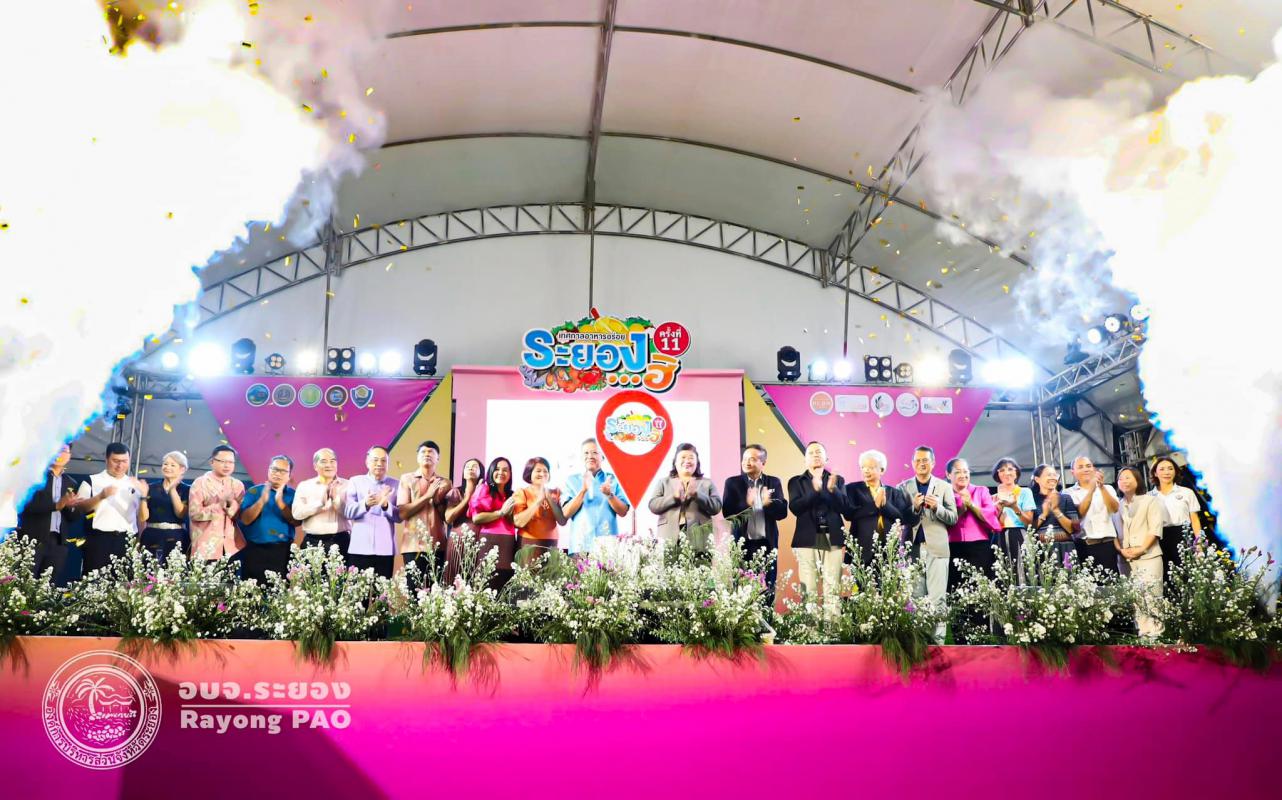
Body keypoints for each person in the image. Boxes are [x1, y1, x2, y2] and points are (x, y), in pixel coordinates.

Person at [896, 446, 957, 639]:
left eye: (925, 460)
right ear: (912, 463)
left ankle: (938, 643)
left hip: (937, 548)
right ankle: (919, 642)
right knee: (914, 598)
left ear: (933, 463)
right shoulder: (903, 487)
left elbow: (953, 518)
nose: (921, 464)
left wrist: (938, 507)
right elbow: (899, 517)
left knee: (937, 598)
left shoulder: (944, 486)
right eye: (918, 460)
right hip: (911, 548)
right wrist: (914, 508)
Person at [787, 441, 849, 619]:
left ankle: (833, 627)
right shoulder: (796, 482)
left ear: (826, 458)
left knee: (832, 584)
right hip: (807, 538)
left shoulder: (837, 480)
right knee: (809, 586)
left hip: (832, 536)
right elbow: (795, 508)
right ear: (805, 459)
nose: (815, 455)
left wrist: (833, 490)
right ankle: (811, 629)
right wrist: (814, 491)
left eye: (819, 452)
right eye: (811, 452)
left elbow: (844, 507)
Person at [75, 442, 149, 574]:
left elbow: (143, 517)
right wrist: (101, 496)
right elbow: (81, 508)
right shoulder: (91, 480)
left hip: (127, 540)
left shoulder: (135, 484)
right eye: (115, 461)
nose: (120, 465)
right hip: (99, 540)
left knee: (124, 582)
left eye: (124, 461)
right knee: (95, 580)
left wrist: (144, 496)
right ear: (106, 459)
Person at [722, 444, 788, 588]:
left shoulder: (773, 482)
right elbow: (728, 513)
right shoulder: (733, 483)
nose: (746, 462)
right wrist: (748, 504)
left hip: (767, 543)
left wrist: (767, 503)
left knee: (767, 587)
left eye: (752, 459)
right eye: (744, 458)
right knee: (741, 588)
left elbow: (782, 512)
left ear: (763, 463)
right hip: (742, 543)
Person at [560, 438, 631, 556]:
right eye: (586, 453)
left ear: (602, 456)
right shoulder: (571, 480)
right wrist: (583, 491)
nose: (590, 456)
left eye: (594, 452)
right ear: (581, 457)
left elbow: (623, 511)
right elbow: (565, 513)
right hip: (580, 545)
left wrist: (610, 495)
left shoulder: (612, 479)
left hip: (608, 546)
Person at [16, 444, 77, 579]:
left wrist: (72, 507)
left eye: (63, 451)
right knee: (25, 582)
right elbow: (26, 505)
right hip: (33, 539)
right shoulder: (35, 478)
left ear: (69, 456)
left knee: (49, 585)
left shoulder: (70, 483)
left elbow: (73, 517)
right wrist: (56, 505)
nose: (59, 454)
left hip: (58, 542)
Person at [1117, 467, 1164, 637]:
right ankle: (1142, 634)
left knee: (1152, 596)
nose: (1124, 481)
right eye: (1121, 478)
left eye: (1128, 477)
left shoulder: (1150, 501)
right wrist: (1121, 550)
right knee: (1135, 598)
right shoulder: (1117, 505)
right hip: (1125, 558)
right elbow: (1114, 532)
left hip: (1149, 555)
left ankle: (1156, 635)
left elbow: (1155, 529)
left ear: (1137, 480)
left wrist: (1141, 549)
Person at [647, 443, 723, 548]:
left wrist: (697, 495)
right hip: (669, 537)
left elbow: (716, 507)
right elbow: (653, 505)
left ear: (697, 462)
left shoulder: (707, 483)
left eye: (691, 458)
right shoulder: (664, 482)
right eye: (683, 457)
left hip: (699, 539)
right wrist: (673, 497)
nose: (687, 461)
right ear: (675, 462)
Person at [395, 440, 453, 575]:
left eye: (431, 452)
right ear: (417, 457)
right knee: (413, 586)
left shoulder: (445, 482)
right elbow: (402, 513)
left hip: (438, 545)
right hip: (412, 545)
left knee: (436, 586)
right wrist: (427, 496)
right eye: (423, 452)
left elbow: (448, 518)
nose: (427, 454)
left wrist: (437, 500)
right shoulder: (407, 479)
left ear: (438, 458)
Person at [238, 455, 298, 584]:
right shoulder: (254, 491)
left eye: (283, 471)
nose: (278, 474)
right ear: (268, 470)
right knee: (252, 591)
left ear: (289, 475)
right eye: (274, 469)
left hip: (282, 551)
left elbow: (296, 522)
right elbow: (245, 520)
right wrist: (262, 501)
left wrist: (280, 502)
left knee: (279, 590)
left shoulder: (293, 494)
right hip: (255, 550)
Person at [846, 448, 911, 565]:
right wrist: (874, 505)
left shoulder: (894, 492)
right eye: (863, 467)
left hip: (888, 549)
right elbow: (849, 514)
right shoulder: (852, 489)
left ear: (882, 470)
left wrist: (885, 505)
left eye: (870, 467)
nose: (866, 470)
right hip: (861, 549)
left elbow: (902, 518)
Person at [344, 446, 399, 578]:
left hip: (385, 548)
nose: (379, 464)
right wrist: (365, 504)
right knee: (357, 589)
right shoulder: (355, 481)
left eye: (383, 460)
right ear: (367, 462)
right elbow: (348, 512)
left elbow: (400, 516)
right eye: (375, 460)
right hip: (359, 547)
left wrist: (386, 505)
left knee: (383, 589)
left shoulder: (396, 484)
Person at [945, 457, 1001, 585]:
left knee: (980, 586)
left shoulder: (981, 491)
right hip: (952, 546)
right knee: (956, 586)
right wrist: (961, 509)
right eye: (958, 472)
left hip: (979, 546)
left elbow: (990, 516)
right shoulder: (945, 494)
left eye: (966, 471)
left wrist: (971, 504)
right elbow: (943, 522)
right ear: (948, 475)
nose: (963, 475)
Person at [188, 445, 247, 561]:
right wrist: (219, 506)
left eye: (230, 462)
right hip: (206, 546)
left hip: (232, 546)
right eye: (223, 461)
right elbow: (194, 514)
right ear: (212, 462)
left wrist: (232, 506)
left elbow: (240, 516)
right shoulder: (200, 483)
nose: (227, 465)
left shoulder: (238, 485)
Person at [1149, 456, 1203, 577]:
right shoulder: (1149, 496)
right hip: (1159, 537)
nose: (1167, 472)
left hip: (1183, 534)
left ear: (1175, 471)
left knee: (1187, 574)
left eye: (1170, 468)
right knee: (1165, 575)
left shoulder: (1186, 492)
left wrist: (1199, 543)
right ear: (1155, 473)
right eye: (1162, 469)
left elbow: (1195, 520)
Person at [1065, 455, 1120, 573]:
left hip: (1108, 544)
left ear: (1094, 469)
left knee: (1110, 582)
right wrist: (1091, 490)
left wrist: (1101, 487)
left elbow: (1115, 509)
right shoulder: (1068, 493)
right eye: (1080, 467)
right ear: (1073, 472)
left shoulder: (1108, 488)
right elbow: (1079, 514)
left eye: (1088, 466)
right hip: (1085, 545)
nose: (1085, 469)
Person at [292, 448, 351, 555]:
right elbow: (297, 514)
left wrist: (336, 500)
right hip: (313, 542)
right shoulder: (304, 486)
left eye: (332, 461)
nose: (329, 465)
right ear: (315, 466)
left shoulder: (348, 485)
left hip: (342, 541)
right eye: (323, 461)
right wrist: (319, 504)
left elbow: (352, 514)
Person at [469, 457, 517, 584]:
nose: (501, 472)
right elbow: (476, 518)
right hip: (490, 541)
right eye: (497, 469)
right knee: (487, 582)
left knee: (505, 583)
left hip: (508, 543)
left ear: (510, 474)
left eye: (505, 470)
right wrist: (500, 513)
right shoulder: (484, 489)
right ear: (491, 471)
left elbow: (514, 522)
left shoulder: (512, 494)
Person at [513, 457, 568, 566]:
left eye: (545, 471)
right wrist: (538, 501)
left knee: (551, 575)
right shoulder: (522, 492)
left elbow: (562, 521)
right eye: (538, 471)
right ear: (530, 473)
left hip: (551, 544)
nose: (542, 474)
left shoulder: (556, 492)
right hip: (528, 544)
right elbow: (518, 522)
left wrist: (550, 499)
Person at [140, 451, 189, 563]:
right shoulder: (151, 488)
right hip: (152, 535)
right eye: (165, 464)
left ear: (182, 469)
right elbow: (143, 518)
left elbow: (181, 514)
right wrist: (143, 496)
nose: (167, 467)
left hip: (177, 536)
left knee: (174, 571)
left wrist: (172, 489)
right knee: (149, 570)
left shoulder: (186, 489)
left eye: (172, 465)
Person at [990, 457, 1035, 573]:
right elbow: (991, 526)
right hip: (998, 537)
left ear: (1016, 473)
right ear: (997, 474)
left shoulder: (1025, 492)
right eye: (1002, 470)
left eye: (1010, 469)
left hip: (1018, 534)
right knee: (1002, 573)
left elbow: (1029, 522)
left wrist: (1014, 507)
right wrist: (999, 509)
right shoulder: (993, 497)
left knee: (1022, 571)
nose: (1007, 473)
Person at [1029, 464, 1078, 565]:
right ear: (1037, 479)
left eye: (1054, 475)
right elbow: (1029, 530)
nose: (1053, 478)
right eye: (1049, 475)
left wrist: (1056, 511)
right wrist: (1044, 514)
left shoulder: (1066, 498)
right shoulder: (1031, 499)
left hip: (1065, 548)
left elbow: (1073, 529)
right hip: (1041, 550)